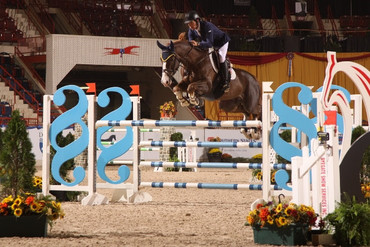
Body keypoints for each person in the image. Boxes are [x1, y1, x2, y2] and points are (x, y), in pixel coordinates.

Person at [184, 10, 231, 92]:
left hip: (221, 42)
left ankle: (226, 82)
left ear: (197, 20)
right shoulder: (191, 29)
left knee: (221, 56)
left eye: (191, 23)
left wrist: (198, 44)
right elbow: (191, 41)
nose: (189, 26)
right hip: (211, 43)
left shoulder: (207, 26)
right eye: (188, 24)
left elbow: (209, 43)